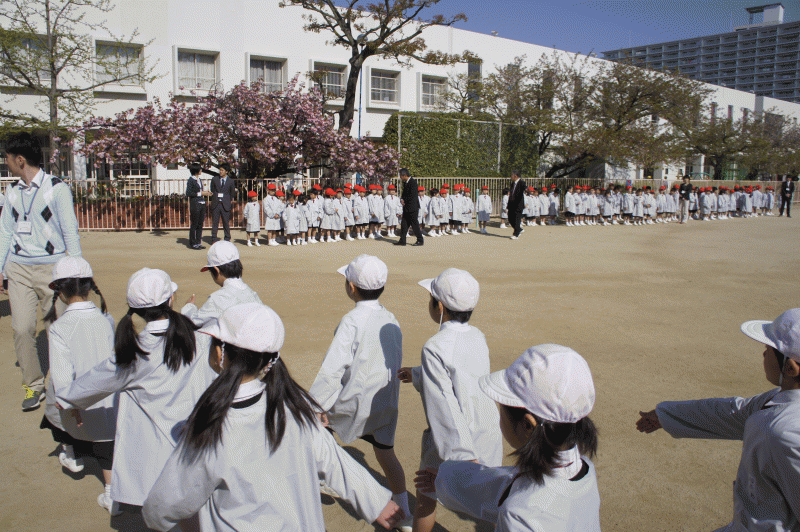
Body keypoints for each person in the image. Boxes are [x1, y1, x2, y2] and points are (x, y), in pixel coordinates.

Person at [142, 302, 403, 531]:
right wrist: (376, 502)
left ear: (221, 351)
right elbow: (333, 459)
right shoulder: (294, 408)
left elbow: (162, 508)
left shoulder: (210, 427)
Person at [56, 268, 210, 510]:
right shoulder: (199, 340)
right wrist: (190, 311)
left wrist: (68, 399)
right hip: (195, 441)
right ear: (171, 300)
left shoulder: (132, 355)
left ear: (134, 310)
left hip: (155, 451)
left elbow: (94, 381)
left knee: (163, 509)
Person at [638, 308, 800, 532]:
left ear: (790, 367)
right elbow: (734, 412)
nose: (764, 354)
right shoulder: (777, 401)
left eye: (769, 350)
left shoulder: (782, 433)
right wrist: (665, 415)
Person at [418, 344, 600, 532]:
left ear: (527, 425)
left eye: (502, 406)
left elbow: (515, 492)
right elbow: (507, 485)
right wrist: (446, 479)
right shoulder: (583, 469)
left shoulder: (519, 516)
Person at [309, 255, 412, 529]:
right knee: (386, 454)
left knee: (321, 430)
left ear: (351, 287)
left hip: (353, 400)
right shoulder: (390, 318)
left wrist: (314, 404)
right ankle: (404, 510)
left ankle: (322, 476)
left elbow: (333, 369)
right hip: (385, 400)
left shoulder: (351, 321)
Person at [398, 268, 503, 532]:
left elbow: (444, 404)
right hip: (486, 429)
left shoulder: (434, 346)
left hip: (452, 439)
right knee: (489, 502)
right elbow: (463, 376)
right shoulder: (477, 335)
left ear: (440, 307)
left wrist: (461, 457)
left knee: (426, 496)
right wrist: (418, 374)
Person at [0, 131, 82, 410]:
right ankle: (33, 386)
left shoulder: (57, 188)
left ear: (20, 160)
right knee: (22, 328)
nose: (5, 162)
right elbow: (5, 232)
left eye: (7, 158)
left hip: (53, 271)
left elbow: (70, 231)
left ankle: (62, 385)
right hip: (18, 269)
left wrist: (76, 270)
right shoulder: (11, 192)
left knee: (56, 331)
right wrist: (1, 268)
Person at [40, 257, 118, 514]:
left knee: (52, 403)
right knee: (107, 445)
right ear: (89, 287)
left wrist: (72, 404)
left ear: (60, 292)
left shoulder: (59, 328)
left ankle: (71, 454)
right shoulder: (107, 319)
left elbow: (62, 377)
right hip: (110, 401)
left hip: (78, 405)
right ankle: (112, 495)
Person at [182, 240, 262, 328]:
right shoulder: (253, 294)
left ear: (216, 270)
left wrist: (188, 307)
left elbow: (194, 321)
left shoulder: (218, 298)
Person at [395, 168, 423, 246]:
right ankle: (402, 240)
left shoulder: (413, 182)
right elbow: (404, 194)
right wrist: (402, 199)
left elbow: (412, 195)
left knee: (414, 224)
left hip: (412, 207)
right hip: (406, 207)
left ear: (404, 175)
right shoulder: (405, 182)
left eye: (400, 175)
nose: (400, 177)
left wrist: (405, 200)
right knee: (404, 224)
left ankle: (420, 240)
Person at [186, 163, 210, 249]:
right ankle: (193, 243)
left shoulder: (199, 179)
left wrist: (206, 193)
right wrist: (201, 193)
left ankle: (198, 242)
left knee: (200, 224)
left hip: (201, 203)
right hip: (195, 204)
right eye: (200, 169)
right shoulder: (191, 180)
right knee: (194, 224)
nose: (201, 170)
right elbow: (188, 193)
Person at [210, 163, 236, 243]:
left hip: (225, 204)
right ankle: (214, 238)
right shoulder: (215, 179)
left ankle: (227, 238)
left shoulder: (231, 181)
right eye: (220, 170)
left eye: (222, 170)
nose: (220, 172)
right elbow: (212, 190)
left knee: (226, 222)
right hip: (216, 204)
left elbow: (232, 193)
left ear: (226, 171)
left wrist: (226, 199)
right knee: (215, 222)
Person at [507, 171, 526, 239]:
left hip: (518, 204)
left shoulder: (522, 182)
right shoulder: (512, 183)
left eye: (512, 175)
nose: (511, 177)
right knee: (510, 218)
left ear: (515, 176)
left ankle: (516, 234)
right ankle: (519, 229)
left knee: (517, 219)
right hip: (511, 204)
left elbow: (525, 188)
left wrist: (527, 189)